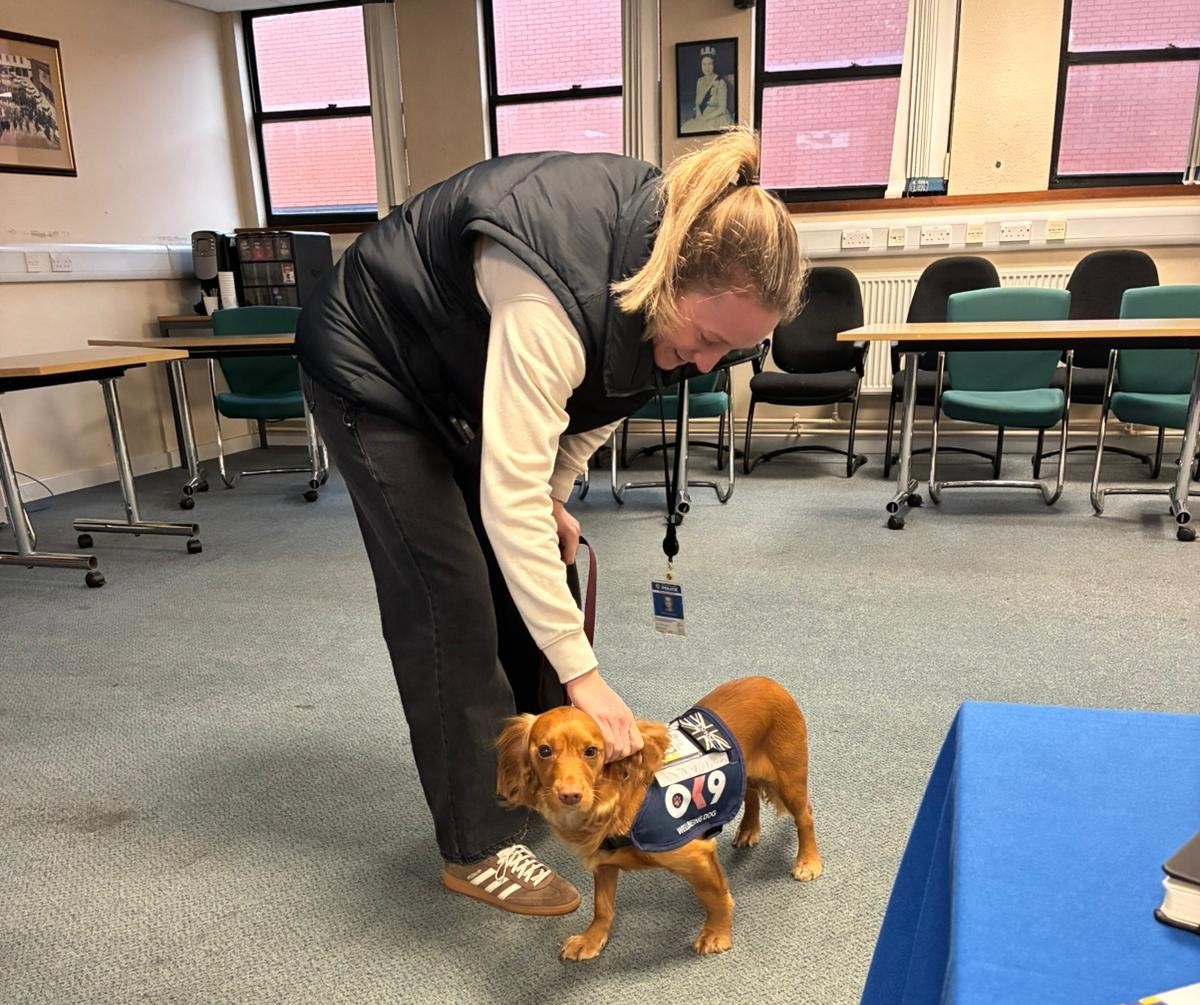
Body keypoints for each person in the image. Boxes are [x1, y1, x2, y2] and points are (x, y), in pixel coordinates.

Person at [295, 126, 804, 918]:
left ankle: (528, 785)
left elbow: (601, 400)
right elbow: (507, 494)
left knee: (536, 563)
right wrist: (583, 670)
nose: (707, 364)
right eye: (705, 339)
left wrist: (557, 491)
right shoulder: (554, 293)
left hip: (464, 371)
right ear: (668, 281)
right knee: (450, 593)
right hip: (375, 363)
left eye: (729, 354)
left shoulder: (663, 296)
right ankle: (475, 844)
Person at [682, 46, 734, 135]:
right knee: (685, 128)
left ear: (714, 65)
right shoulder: (699, 81)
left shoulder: (720, 82)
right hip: (702, 117)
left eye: (709, 64)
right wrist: (699, 117)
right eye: (704, 64)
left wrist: (706, 119)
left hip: (717, 117)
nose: (706, 67)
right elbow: (697, 103)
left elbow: (722, 108)